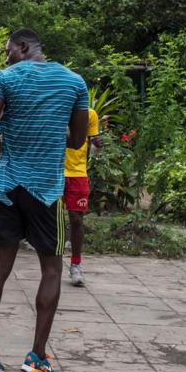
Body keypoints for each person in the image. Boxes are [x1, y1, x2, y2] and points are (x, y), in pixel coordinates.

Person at [0, 28, 88, 372]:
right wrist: (50, 132)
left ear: (23, 47)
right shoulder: (74, 82)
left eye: (7, 51)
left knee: (1, 265)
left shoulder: (4, 79)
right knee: (51, 269)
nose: (4, 58)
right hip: (46, 192)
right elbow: (79, 139)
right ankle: (38, 356)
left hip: (7, 187)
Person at [64, 108, 102, 286]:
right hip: (53, 170)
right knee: (47, 218)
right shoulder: (54, 108)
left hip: (78, 172)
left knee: (76, 218)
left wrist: (97, 145)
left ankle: (76, 264)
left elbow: (94, 145)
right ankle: (51, 264)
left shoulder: (90, 115)